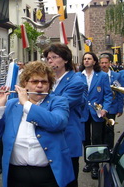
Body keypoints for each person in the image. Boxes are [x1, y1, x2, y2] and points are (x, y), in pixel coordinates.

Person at [0, 61, 74, 187]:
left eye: (44, 82)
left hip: (49, 175)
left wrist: (27, 104)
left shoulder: (59, 102)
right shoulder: (12, 104)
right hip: (16, 175)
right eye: (34, 81)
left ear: (49, 84)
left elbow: (57, 123)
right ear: (25, 84)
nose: (39, 86)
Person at [43, 43, 86, 187]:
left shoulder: (77, 81)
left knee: (68, 182)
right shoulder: (47, 80)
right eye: (48, 58)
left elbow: (59, 106)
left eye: (55, 57)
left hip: (67, 138)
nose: (50, 61)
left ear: (66, 60)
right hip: (49, 138)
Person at [79, 52, 113, 179]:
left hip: (97, 112)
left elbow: (108, 94)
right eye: (85, 59)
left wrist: (105, 109)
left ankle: (95, 165)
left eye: (89, 59)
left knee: (97, 138)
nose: (86, 61)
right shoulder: (78, 76)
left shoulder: (102, 76)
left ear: (94, 61)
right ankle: (88, 162)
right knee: (85, 138)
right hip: (83, 112)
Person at [99, 54, 123, 149]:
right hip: (100, 108)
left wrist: (120, 108)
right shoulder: (97, 75)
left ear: (110, 63)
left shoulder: (116, 76)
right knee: (100, 130)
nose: (104, 65)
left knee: (109, 130)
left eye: (106, 63)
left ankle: (109, 150)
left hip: (112, 107)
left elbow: (120, 92)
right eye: (102, 63)